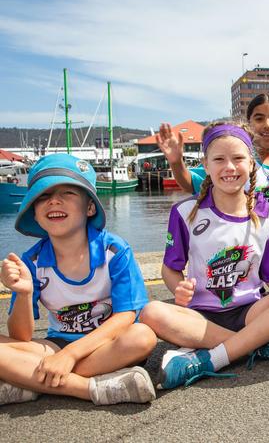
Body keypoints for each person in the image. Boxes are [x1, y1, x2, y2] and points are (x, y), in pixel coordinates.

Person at [141, 123, 269, 390]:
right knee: (151, 312)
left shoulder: (266, 214)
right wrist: (179, 289)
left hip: (250, 311)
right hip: (201, 316)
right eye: (219, 159)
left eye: (238, 158)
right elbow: (170, 269)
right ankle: (259, 345)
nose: (229, 167)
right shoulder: (186, 212)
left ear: (251, 162)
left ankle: (210, 359)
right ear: (206, 165)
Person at [0, 154, 156, 406]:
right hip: (56, 344)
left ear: (90, 207)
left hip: (108, 345)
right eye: (43, 195)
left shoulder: (114, 251)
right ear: (35, 213)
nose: (54, 201)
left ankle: (27, 379)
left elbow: (125, 316)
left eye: (68, 193)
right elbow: (20, 336)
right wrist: (24, 293)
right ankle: (89, 388)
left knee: (143, 336)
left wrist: (70, 356)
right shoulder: (32, 261)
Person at [156, 93, 269, 279]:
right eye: (259, 118)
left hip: (263, 242)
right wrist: (176, 162)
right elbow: (190, 183)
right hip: (228, 239)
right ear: (249, 124)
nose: (267, 125)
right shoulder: (233, 161)